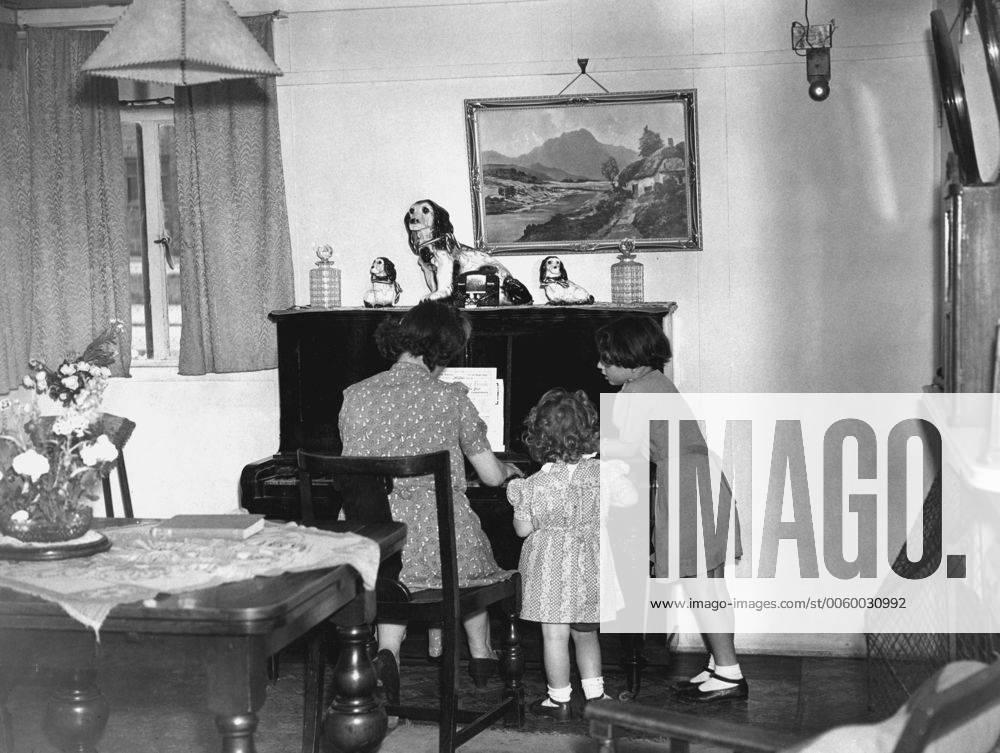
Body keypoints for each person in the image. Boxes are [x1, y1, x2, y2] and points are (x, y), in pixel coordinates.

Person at [338, 299, 523, 700]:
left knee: (394, 571)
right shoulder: (451, 397)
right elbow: (490, 476)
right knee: (471, 556)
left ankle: (388, 654)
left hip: (374, 545)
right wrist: (509, 470)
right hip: (443, 549)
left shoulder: (354, 395)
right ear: (443, 349)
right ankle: (480, 654)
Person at [595, 315, 748, 703]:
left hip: (685, 485)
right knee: (712, 582)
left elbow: (622, 453)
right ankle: (720, 666)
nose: (600, 366)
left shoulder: (633, 390)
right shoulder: (658, 382)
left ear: (628, 359)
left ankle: (729, 674)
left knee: (701, 586)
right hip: (704, 477)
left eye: (606, 360)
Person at [506, 388, 637, 721]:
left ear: (539, 438)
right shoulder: (604, 473)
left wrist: (537, 518)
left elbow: (521, 530)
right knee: (586, 631)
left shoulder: (535, 483)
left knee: (554, 634)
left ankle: (559, 697)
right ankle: (596, 695)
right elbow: (630, 499)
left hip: (550, 567)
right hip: (591, 565)